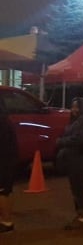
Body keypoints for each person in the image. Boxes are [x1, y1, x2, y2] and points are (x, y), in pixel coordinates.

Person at [57, 97, 83, 230]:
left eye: (77, 107)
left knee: (78, 189)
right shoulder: (78, 120)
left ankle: (82, 217)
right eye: (73, 106)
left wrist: (62, 141)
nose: (74, 109)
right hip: (75, 158)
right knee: (76, 188)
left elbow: (80, 138)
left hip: (80, 159)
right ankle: (80, 216)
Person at [0, 97, 18, 233]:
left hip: (3, 162)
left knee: (3, 191)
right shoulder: (4, 119)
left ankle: (7, 222)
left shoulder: (2, 122)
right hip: (7, 160)